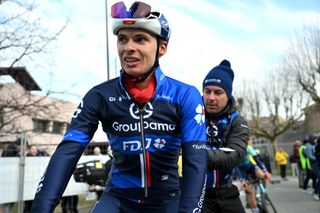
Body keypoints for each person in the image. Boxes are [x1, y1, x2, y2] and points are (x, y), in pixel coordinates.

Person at [31, 1, 207, 213]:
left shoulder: (185, 95)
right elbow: (67, 153)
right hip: (118, 200)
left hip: (168, 199)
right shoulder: (100, 96)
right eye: (122, 39)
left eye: (140, 39)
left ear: (162, 48)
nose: (128, 47)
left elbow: (195, 161)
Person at [201, 59, 249, 213]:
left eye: (218, 92)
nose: (211, 97)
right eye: (207, 91)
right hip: (197, 193)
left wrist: (194, 154)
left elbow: (235, 155)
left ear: (228, 95)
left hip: (226, 191)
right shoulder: (191, 115)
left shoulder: (237, 121)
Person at [237, 137, 272, 213]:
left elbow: (257, 160)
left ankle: (263, 192)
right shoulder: (235, 150)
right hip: (241, 170)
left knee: (262, 175)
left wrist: (265, 171)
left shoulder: (248, 148)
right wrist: (241, 180)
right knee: (249, 190)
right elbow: (236, 168)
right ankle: (255, 210)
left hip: (250, 166)